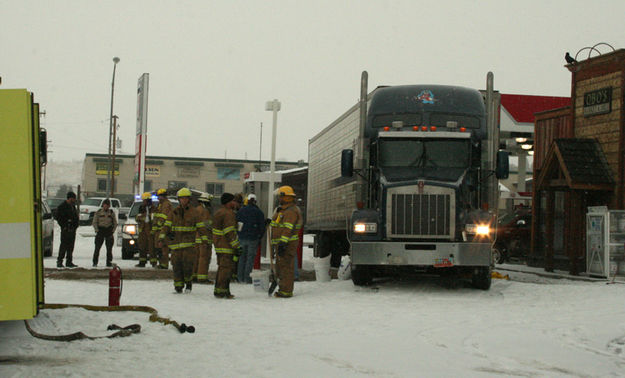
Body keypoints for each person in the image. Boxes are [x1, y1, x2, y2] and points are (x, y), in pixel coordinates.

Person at [158, 188, 208, 293]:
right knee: (176, 266)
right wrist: (161, 237)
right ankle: (178, 287)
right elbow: (166, 226)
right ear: (179, 199)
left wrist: (205, 240)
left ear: (189, 199)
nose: (183, 200)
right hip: (176, 246)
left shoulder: (194, 213)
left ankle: (188, 284)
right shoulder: (174, 212)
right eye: (181, 198)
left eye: (185, 198)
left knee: (188, 266)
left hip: (189, 246)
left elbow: (201, 228)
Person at [270, 186, 303, 298]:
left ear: (286, 197)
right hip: (281, 243)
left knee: (286, 267)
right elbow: (277, 224)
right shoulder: (283, 210)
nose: (279, 198)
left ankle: (286, 290)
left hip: (287, 244)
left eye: (281, 196)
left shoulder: (291, 211)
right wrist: (271, 219)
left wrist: (283, 243)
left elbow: (288, 229)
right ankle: (283, 287)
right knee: (281, 266)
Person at [212, 193, 242, 299]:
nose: (235, 203)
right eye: (233, 201)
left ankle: (218, 290)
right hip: (226, 246)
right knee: (226, 269)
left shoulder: (219, 212)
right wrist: (236, 246)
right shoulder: (228, 214)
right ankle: (222, 292)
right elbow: (229, 232)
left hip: (219, 245)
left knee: (222, 268)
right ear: (228, 202)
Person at [236, 194, 265, 284]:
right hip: (253, 239)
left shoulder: (241, 211)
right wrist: (259, 237)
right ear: (255, 201)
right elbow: (262, 227)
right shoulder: (259, 212)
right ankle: (247, 278)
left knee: (241, 258)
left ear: (247, 201)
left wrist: (239, 234)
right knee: (250, 259)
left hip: (242, 237)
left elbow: (237, 224)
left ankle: (240, 278)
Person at [91, 198, 118, 267]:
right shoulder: (99, 212)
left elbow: (115, 223)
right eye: (105, 205)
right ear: (103, 205)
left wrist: (112, 231)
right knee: (97, 248)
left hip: (108, 231)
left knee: (109, 249)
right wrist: (97, 230)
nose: (106, 206)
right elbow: (94, 222)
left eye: (108, 205)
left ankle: (109, 262)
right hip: (100, 231)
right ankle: (95, 262)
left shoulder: (111, 213)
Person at [193, 192, 213, 283]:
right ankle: (202, 278)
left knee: (196, 258)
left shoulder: (196, 209)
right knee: (204, 258)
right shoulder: (205, 211)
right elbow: (206, 225)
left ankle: (194, 276)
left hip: (196, 238)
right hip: (204, 239)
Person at [56, 191, 79, 268]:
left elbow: (75, 217)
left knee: (70, 246)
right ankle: (59, 261)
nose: (74, 200)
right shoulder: (62, 207)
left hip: (72, 230)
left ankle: (69, 261)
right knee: (63, 246)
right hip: (65, 230)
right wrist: (64, 226)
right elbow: (58, 217)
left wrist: (75, 226)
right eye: (73, 198)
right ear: (70, 198)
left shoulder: (72, 206)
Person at [153, 188, 174, 269]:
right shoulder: (161, 204)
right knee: (160, 247)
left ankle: (164, 264)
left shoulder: (166, 204)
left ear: (163, 196)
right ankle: (161, 263)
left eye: (159, 196)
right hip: (160, 229)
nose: (158, 198)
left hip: (163, 229)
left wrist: (159, 224)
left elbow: (164, 216)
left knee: (164, 247)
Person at [135, 192, 158, 267]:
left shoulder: (154, 208)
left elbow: (154, 218)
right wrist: (144, 217)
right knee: (142, 247)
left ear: (148, 200)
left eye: (144, 200)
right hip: (142, 231)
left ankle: (153, 263)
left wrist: (146, 217)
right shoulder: (141, 208)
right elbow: (137, 218)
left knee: (152, 248)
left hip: (150, 231)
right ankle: (142, 262)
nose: (143, 202)